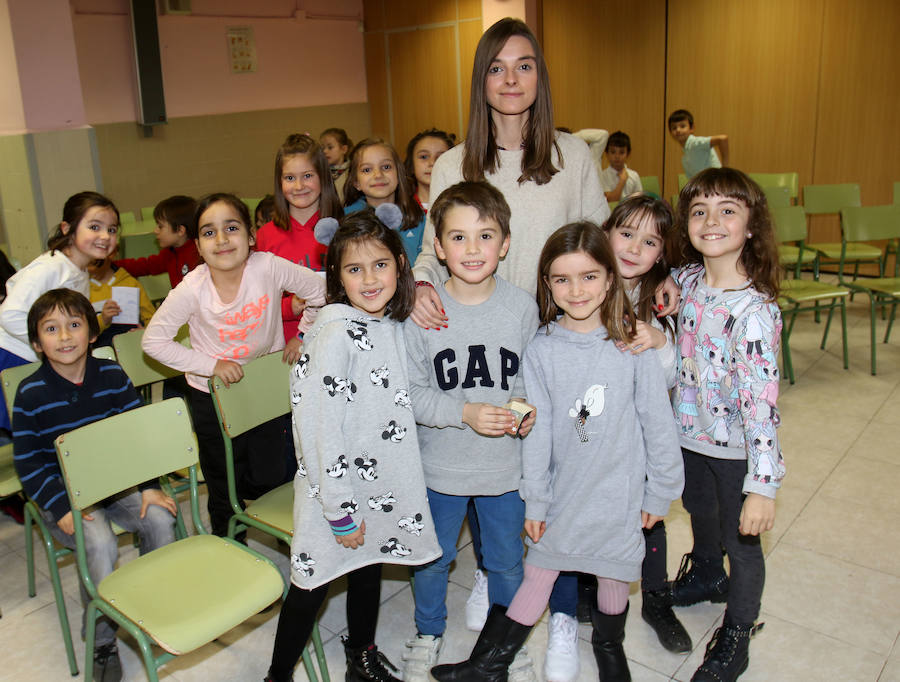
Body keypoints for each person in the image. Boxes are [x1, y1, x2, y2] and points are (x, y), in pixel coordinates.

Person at [429, 221, 683, 682]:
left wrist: (660, 492)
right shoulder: (542, 348)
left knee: (612, 575)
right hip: (564, 492)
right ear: (547, 284)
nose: (577, 290)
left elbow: (658, 426)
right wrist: (538, 498)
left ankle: (610, 649)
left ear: (610, 278)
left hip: (619, 493)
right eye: (562, 279)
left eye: (589, 276)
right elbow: (538, 433)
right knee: (541, 569)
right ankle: (491, 664)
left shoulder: (633, 345)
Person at [265, 207, 441, 682]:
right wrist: (340, 510)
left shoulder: (388, 323)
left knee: (369, 563)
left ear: (400, 266)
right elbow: (319, 431)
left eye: (380, 264)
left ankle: (360, 656)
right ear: (338, 277)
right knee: (311, 585)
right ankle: (277, 676)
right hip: (334, 493)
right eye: (354, 269)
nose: (369, 279)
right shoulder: (336, 334)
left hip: (379, 482)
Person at [400, 182, 539, 682]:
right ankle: (428, 633)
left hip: (505, 469)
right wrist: (466, 412)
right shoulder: (422, 313)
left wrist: (522, 411)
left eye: (486, 235)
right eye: (458, 238)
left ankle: (506, 643)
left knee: (505, 563)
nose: (473, 249)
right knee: (431, 561)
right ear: (437, 247)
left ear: (505, 243)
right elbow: (412, 394)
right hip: (439, 468)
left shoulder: (522, 308)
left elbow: (528, 381)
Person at [12, 288, 176, 681]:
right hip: (65, 496)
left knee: (160, 519)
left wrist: (151, 484)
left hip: (116, 483)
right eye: (52, 329)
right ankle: (102, 639)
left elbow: (137, 435)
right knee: (99, 543)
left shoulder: (113, 375)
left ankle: (152, 610)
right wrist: (62, 507)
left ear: (91, 332)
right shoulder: (30, 394)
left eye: (74, 325)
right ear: (37, 342)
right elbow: (29, 462)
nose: (65, 337)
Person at [142, 193, 326, 537]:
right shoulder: (192, 287)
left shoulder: (267, 266)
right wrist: (211, 364)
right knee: (223, 485)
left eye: (231, 228)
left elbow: (320, 290)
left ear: (251, 236)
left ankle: (257, 507)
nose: (222, 240)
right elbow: (153, 342)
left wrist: (303, 335)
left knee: (269, 476)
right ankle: (231, 544)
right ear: (197, 245)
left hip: (263, 390)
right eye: (209, 233)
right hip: (213, 396)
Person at [411, 17, 609, 328]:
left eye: (524, 67)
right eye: (496, 68)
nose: (511, 79)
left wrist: (656, 279)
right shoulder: (451, 165)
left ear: (539, 77)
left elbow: (603, 247)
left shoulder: (573, 154)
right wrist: (419, 285)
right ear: (482, 80)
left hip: (557, 327)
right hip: (482, 331)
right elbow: (434, 253)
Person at [669, 168, 784, 682]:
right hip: (689, 435)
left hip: (737, 448)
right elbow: (662, 282)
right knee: (699, 510)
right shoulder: (688, 280)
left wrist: (763, 486)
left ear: (752, 225)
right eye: (700, 211)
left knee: (742, 541)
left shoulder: (755, 312)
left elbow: (762, 407)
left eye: (728, 210)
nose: (711, 221)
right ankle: (709, 576)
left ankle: (738, 630)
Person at [0, 191, 119, 431]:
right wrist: (51, 345)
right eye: (95, 227)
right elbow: (9, 315)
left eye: (112, 229)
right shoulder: (51, 267)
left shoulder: (79, 270)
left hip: (38, 357)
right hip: (13, 356)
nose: (105, 236)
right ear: (67, 228)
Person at [256, 133, 342, 342]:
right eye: (290, 178)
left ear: (323, 176)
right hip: (284, 346)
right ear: (279, 182)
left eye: (308, 176)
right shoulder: (266, 235)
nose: (299, 186)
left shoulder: (342, 228)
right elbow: (258, 302)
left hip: (336, 336)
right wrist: (289, 307)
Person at [345, 138, 425, 264]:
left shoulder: (417, 216)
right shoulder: (346, 219)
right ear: (356, 182)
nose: (378, 175)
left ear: (398, 174)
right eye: (367, 170)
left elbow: (427, 262)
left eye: (386, 167)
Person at [115, 194, 200, 288]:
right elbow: (145, 266)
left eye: (160, 226)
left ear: (180, 230)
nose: (155, 231)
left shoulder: (199, 255)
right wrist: (112, 265)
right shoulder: (170, 253)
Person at [88, 253, 156, 347]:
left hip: (131, 344)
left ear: (111, 254)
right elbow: (82, 332)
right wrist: (103, 320)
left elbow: (151, 318)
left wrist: (145, 331)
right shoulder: (82, 289)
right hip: (101, 348)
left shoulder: (130, 283)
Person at [668, 110, 729, 179]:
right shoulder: (685, 157)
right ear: (670, 133)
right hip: (705, 186)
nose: (678, 130)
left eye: (682, 126)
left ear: (692, 128)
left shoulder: (695, 142)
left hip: (716, 184)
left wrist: (725, 170)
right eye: (674, 128)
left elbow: (722, 139)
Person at [404, 128, 455, 210]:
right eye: (424, 157)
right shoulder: (400, 208)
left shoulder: (462, 206)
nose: (432, 163)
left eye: (441, 157)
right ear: (411, 165)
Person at [600, 131, 643, 203]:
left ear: (628, 154)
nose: (617, 156)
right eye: (613, 152)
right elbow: (611, 200)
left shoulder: (634, 175)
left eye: (622, 152)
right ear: (607, 153)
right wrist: (622, 182)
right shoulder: (603, 176)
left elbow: (640, 201)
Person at [320, 127, 353, 200]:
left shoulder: (352, 172)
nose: (325, 151)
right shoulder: (321, 172)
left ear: (344, 149)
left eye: (330, 147)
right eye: (322, 148)